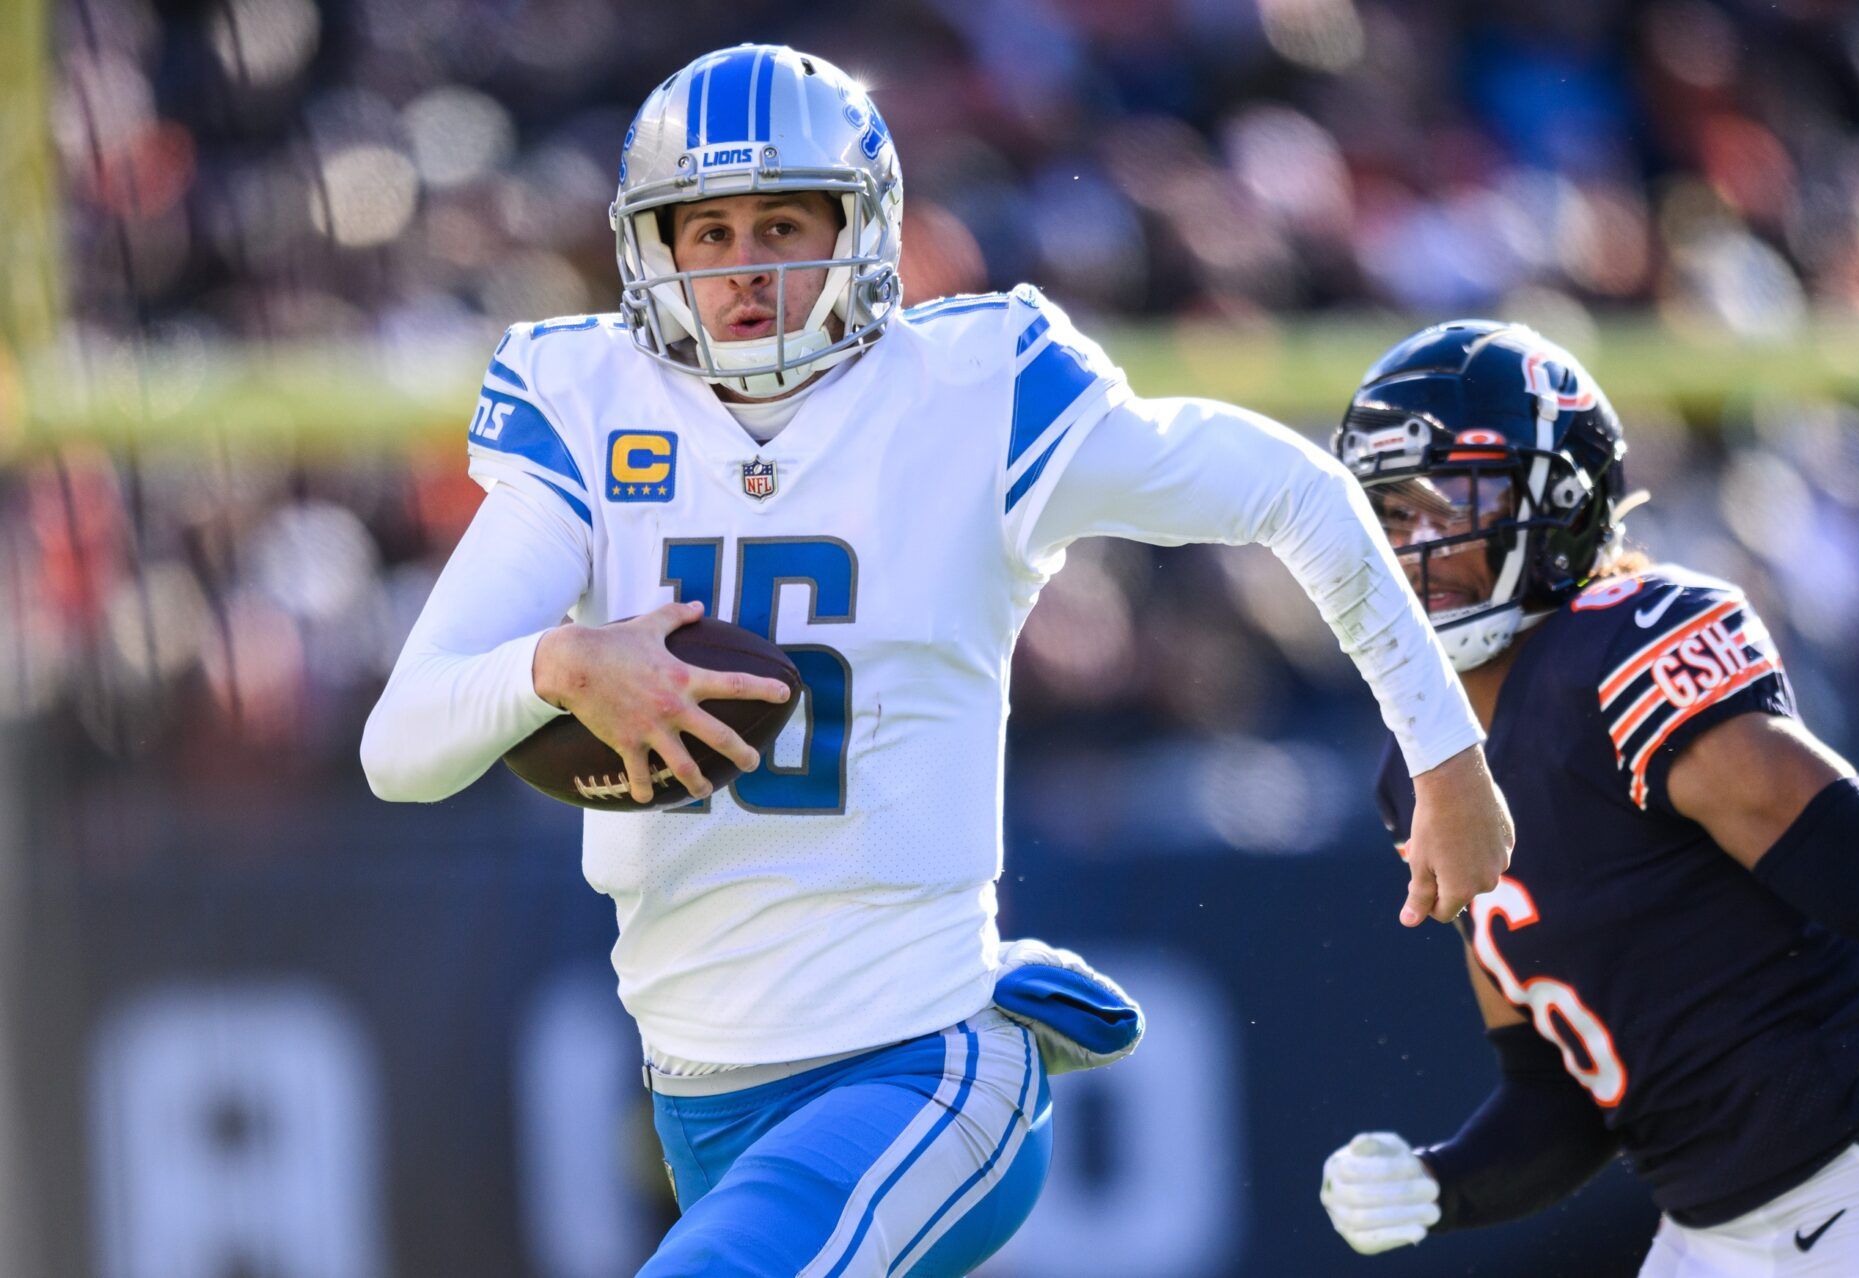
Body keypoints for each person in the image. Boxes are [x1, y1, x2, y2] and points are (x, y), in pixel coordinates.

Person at [361, 45, 1512, 1276]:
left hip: (922, 1065)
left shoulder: (973, 392)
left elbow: (1290, 488)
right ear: (654, 248)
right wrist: (559, 663)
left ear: (862, 231)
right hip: (701, 1087)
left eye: (785, 223)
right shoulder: (588, 404)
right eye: (707, 231)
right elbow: (402, 752)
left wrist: (1446, 756)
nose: (747, 268)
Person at [1317, 320, 1859, 1276]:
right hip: (1703, 1235)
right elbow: (1561, 1091)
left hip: (1857, 1178)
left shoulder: (1618, 655)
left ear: (1556, 502)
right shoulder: (1419, 766)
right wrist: (1445, 1185)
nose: (1416, 544)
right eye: (1392, 511)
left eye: (1454, 498)